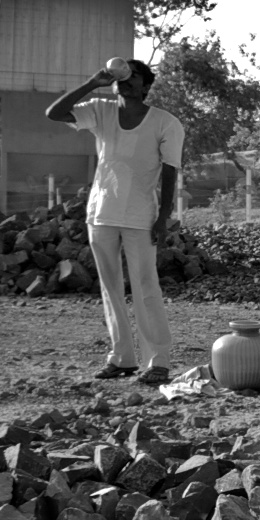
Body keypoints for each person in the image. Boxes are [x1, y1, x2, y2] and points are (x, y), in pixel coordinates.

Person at [46, 60, 186, 384]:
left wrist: (163, 218)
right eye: (122, 77)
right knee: (110, 288)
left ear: (146, 86)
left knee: (145, 287)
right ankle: (122, 358)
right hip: (101, 212)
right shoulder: (100, 110)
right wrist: (92, 82)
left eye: (134, 76)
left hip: (140, 216)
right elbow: (54, 113)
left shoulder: (165, 123)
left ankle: (158, 362)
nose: (125, 81)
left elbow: (170, 171)